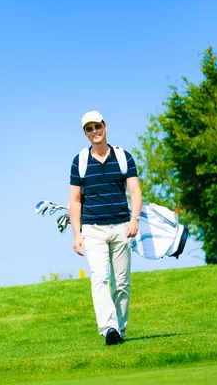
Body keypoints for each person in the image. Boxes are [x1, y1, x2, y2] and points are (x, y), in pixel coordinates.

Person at [69, 110, 143, 345]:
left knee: (122, 283)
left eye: (97, 126)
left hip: (122, 226)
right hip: (93, 230)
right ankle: (109, 328)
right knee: (100, 278)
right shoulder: (79, 161)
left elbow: (135, 191)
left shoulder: (123, 157)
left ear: (105, 126)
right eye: (89, 129)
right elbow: (75, 201)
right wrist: (76, 235)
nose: (94, 132)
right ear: (85, 133)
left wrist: (135, 219)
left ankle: (119, 329)